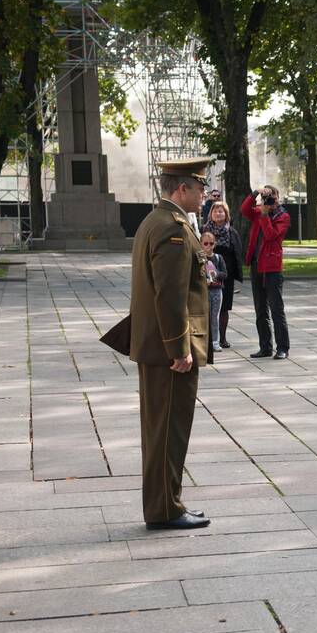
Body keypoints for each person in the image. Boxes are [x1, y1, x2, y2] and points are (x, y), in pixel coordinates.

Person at [129, 157, 213, 530]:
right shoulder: (173, 229)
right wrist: (179, 350)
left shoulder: (156, 220)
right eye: (200, 187)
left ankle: (167, 503)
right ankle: (165, 510)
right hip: (170, 351)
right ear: (183, 188)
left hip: (156, 346)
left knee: (162, 429)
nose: (204, 194)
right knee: (169, 430)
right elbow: (169, 295)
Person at [242, 185, 291, 360]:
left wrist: (264, 214)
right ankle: (265, 347)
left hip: (272, 268)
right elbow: (244, 209)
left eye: (272, 197)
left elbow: (270, 235)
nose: (269, 201)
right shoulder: (257, 212)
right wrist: (256, 192)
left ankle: (283, 348)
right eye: (267, 197)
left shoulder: (283, 217)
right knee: (260, 309)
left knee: (277, 309)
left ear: (277, 198)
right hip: (257, 267)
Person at [207, 201, 244, 348]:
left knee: (223, 308)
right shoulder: (205, 230)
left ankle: (222, 338)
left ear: (226, 214)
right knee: (207, 307)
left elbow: (238, 253)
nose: (218, 213)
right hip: (207, 274)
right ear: (211, 213)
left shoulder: (232, 232)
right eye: (215, 211)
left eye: (221, 211)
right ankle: (209, 338)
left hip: (225, 276)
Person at [201, 231, 226, 352]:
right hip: (204, 291)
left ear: (214, 244)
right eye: (205, 243)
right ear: (201, 244)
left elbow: (225, 274)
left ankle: (215, 341)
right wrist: (204, 281)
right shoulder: (199, 258)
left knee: (215, 317)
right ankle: (204, 341)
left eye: (211, 243)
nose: (208, 246)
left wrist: (216, 274)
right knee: (204, 317)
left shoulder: (218, 258)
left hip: (216, 291)